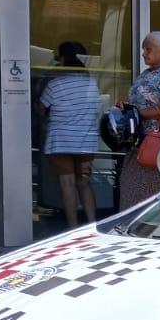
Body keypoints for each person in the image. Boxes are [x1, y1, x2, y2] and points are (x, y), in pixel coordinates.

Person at [117, 30, 160, 208]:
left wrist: (138, 112)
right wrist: (128, 108)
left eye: (148, 49)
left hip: (158, 145)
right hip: (140, 142)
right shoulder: (147, 74)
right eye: (143, 49)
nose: (143, 53)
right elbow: (144, 103)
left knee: (150, 193)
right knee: (131, 188)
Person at [38, 41, 101, 228]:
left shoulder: (55, 84)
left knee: (67, 184)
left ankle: (73, 228)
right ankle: (92, 225)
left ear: (63, 59)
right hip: (86, 140)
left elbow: (41, 108)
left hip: (61, 141)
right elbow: (96, 108)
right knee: (85, 183)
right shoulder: (91, 83)